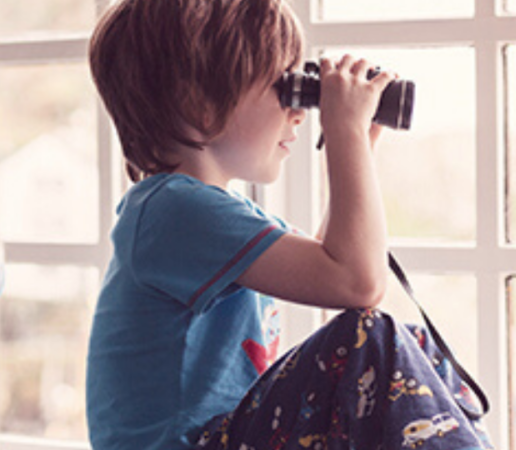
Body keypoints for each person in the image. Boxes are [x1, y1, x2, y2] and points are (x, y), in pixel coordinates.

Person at [85, 1, 491, 449]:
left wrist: (360, 142)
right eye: (286, 90)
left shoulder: (202, 213)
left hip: (223, 437)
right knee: (374, 337)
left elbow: (326, 265)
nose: (299, 112)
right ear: (197, 103)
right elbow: (354, 284)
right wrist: (345, 134)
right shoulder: (173, 209)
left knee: (411, 344)